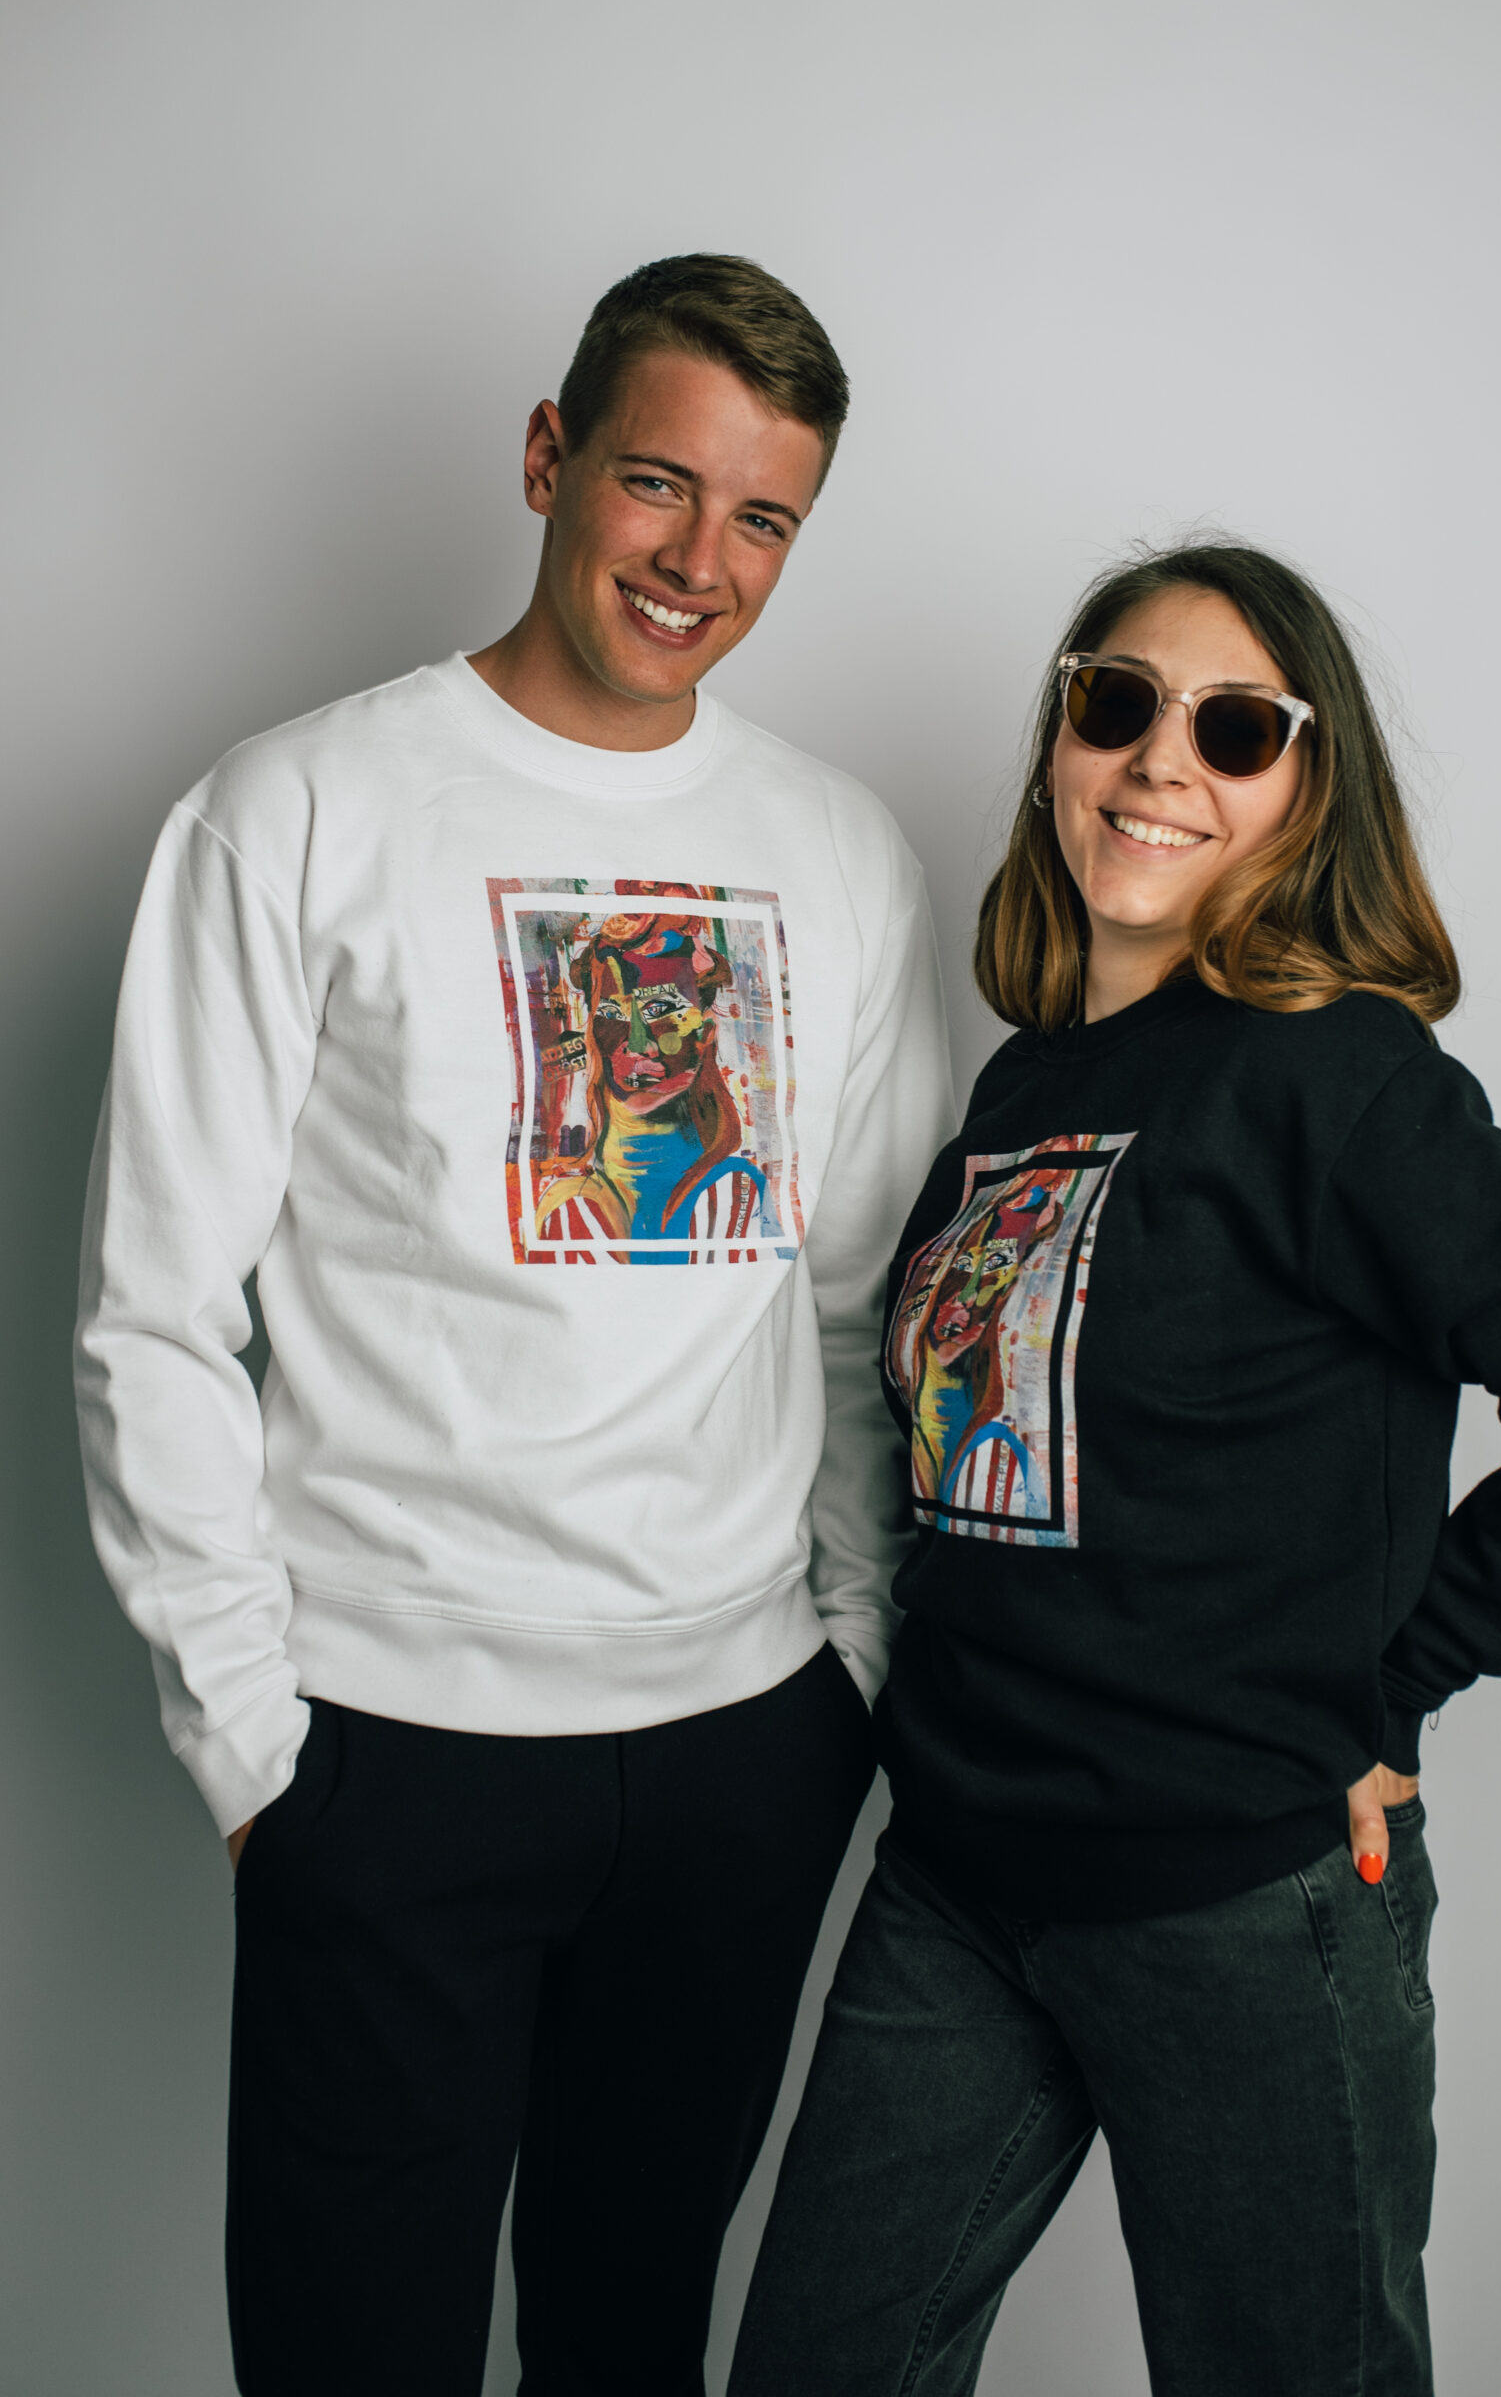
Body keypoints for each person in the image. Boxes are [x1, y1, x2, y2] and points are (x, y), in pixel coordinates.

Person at [73, 252, 953, 2395]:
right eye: (659, 482)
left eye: (764, 518)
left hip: (740, 1749)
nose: (701, 561)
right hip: (390, 1756)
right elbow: (155, 1313)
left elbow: (868, 1304)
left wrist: (849, 1675)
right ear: (550, 456)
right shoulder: (298, 810)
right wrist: (256, 1746)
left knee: (630, 2345)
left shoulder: (837, 850)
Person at [728, 542, 1501, 2397]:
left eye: (1235, 728)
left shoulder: (1334, 1079)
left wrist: (1388, 1688)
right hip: (952, 1877)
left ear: (1304, 791)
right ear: (1057, 744)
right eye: (1117, 704)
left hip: (1239, 1906)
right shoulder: (1023, 1084)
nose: (1160, 761)